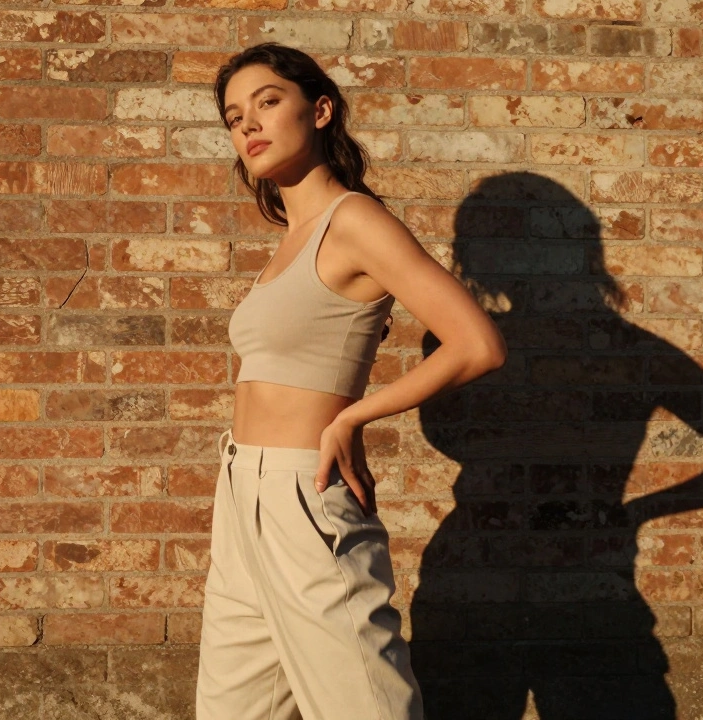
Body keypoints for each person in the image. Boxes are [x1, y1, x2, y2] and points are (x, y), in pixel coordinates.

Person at [196, 42, 508, 720]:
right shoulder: (293, 236)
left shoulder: (355, 220)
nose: (249, 125)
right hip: (241, 491)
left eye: (268, 102)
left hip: (302, 497)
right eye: (234, 117)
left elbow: (477, 344)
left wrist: (352, 417)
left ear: (320, 111)